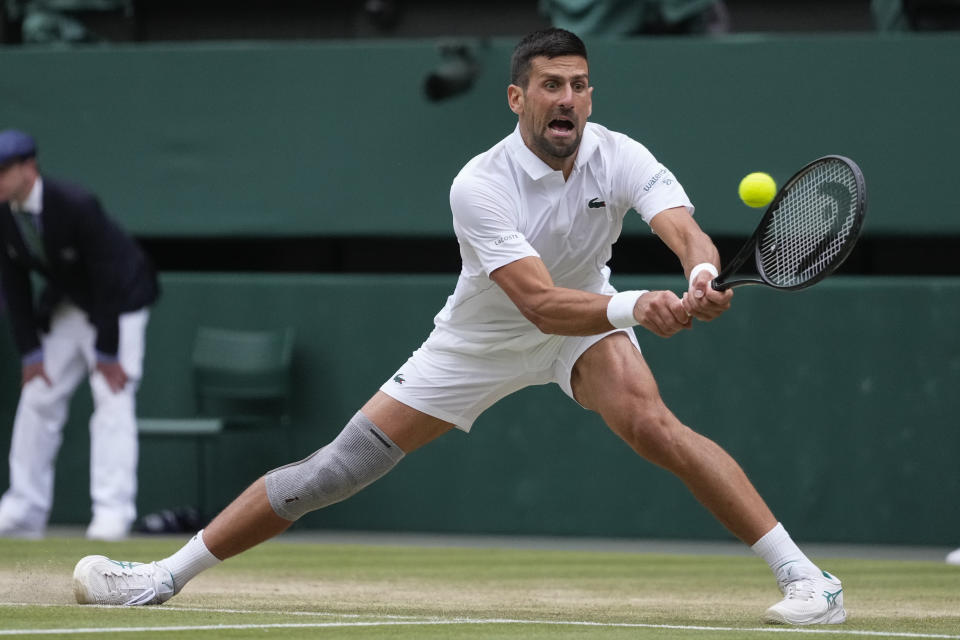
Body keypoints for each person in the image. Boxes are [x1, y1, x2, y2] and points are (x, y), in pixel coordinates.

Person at [71, 28, 845, 625]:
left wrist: (700, 273)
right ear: (518, 98)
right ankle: (159, 578)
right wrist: (635, 307)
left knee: (656, 429)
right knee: (329, 474)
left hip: (586, 330)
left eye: (578, 85)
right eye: (550, 86)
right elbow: (538, 304)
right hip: (483, 338)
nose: (567, 99)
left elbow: (683, 227)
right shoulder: (479, 184)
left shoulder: (621, 155)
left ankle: (807, 580)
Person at [0, 129, 159, 541]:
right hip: (70, 304)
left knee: (112, 397)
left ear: (28, 168)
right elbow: (12, 283)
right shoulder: (3, 213)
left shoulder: (75, 204)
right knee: (38, 394)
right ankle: (22, 509)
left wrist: (108, 351)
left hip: (119, 302)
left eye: (2, 171)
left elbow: (107, 279)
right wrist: (30, 352)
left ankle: (112, 514)